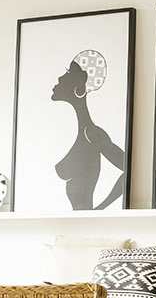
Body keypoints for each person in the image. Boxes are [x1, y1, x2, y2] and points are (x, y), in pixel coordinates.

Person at [52, 50, 125, 210]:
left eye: (68, 72)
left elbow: (128, 170)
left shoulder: (91, 133)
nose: (60, 78)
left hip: (86, 224)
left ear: (80, 82)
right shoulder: (72, 132)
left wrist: (99, 210)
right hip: (74, 225)